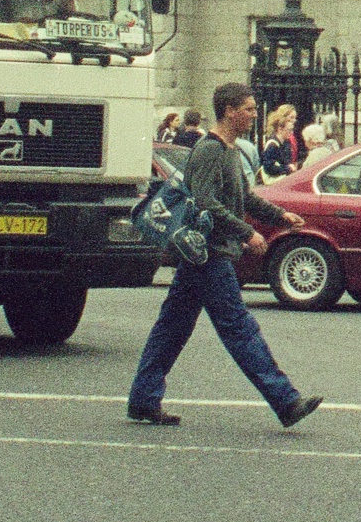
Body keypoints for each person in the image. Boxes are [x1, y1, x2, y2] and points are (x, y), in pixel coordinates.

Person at [127, 82, 324, 429]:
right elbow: (205, 203)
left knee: (171, 329)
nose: (252, 114)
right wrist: (246, 232)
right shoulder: (209, 151)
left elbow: (243, 197)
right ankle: (285, 400)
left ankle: (144, 399)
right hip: (208, 253)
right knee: (239, 328)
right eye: (247, 109)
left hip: (204, 255)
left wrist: (278, 216)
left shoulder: (231, 151)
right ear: (229, 111)